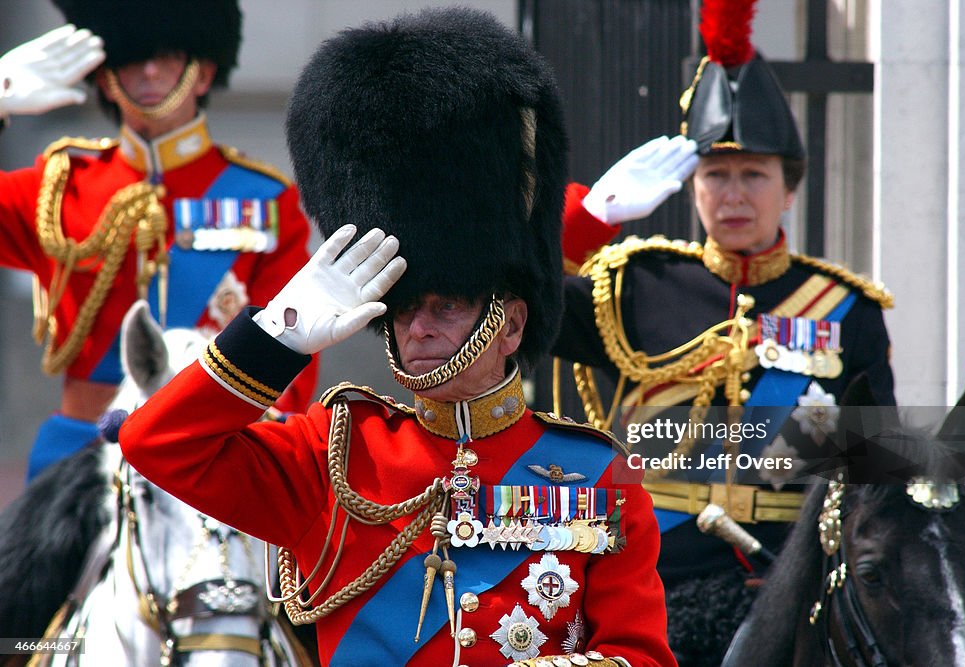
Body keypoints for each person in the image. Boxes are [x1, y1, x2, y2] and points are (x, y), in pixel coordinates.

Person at [120, 9, 676, 667]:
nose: (418, 324)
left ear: (512, 324)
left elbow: (639, 656)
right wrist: (279, 335)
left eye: (447, 303)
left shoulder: (598, 476)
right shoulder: (329, 456)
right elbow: (154, 442)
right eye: (403, 306)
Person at [550, 1, 896, 665]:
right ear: (692, 187)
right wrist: (590, 219)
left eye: (753, 175)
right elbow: (505, 309)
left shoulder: (846, 310)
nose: (734, 196)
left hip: (793, 598)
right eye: (716, 176)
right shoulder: (635, 283)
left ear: (790, 187)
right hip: (650, 586)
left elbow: (874, 471)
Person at [0, 0, 316, 480]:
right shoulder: (59, 185)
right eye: (130, 58)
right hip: (85, 448)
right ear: (106, 78)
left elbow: (292, 333)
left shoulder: (262, 199)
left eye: (167, 56)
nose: (148, 71)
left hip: (209, 450)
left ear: (203, 73)